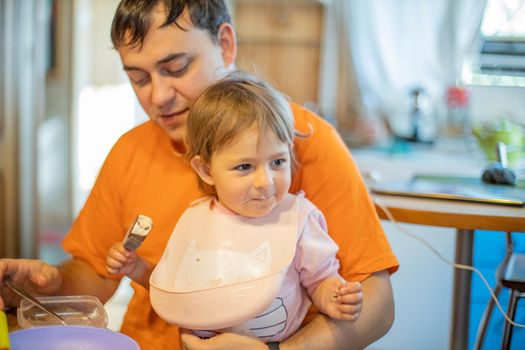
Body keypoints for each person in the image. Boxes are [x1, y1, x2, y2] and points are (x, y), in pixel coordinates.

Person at [0, 1, 399, 349]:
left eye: (176, 67)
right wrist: (48, 284)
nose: (157, 97)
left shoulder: (296, 142)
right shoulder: (131, 150)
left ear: (225, 44)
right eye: (138, 78)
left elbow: (377, 306)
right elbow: (97, 274)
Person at [106, 75, 363, 343]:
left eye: (277, 161)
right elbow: (176, 287)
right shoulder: (196, 218)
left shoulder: (298, 218)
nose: (265, 182)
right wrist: (137, 269)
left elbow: (320, 279)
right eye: (245, 167)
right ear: (206, 170)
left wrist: (335, 296)